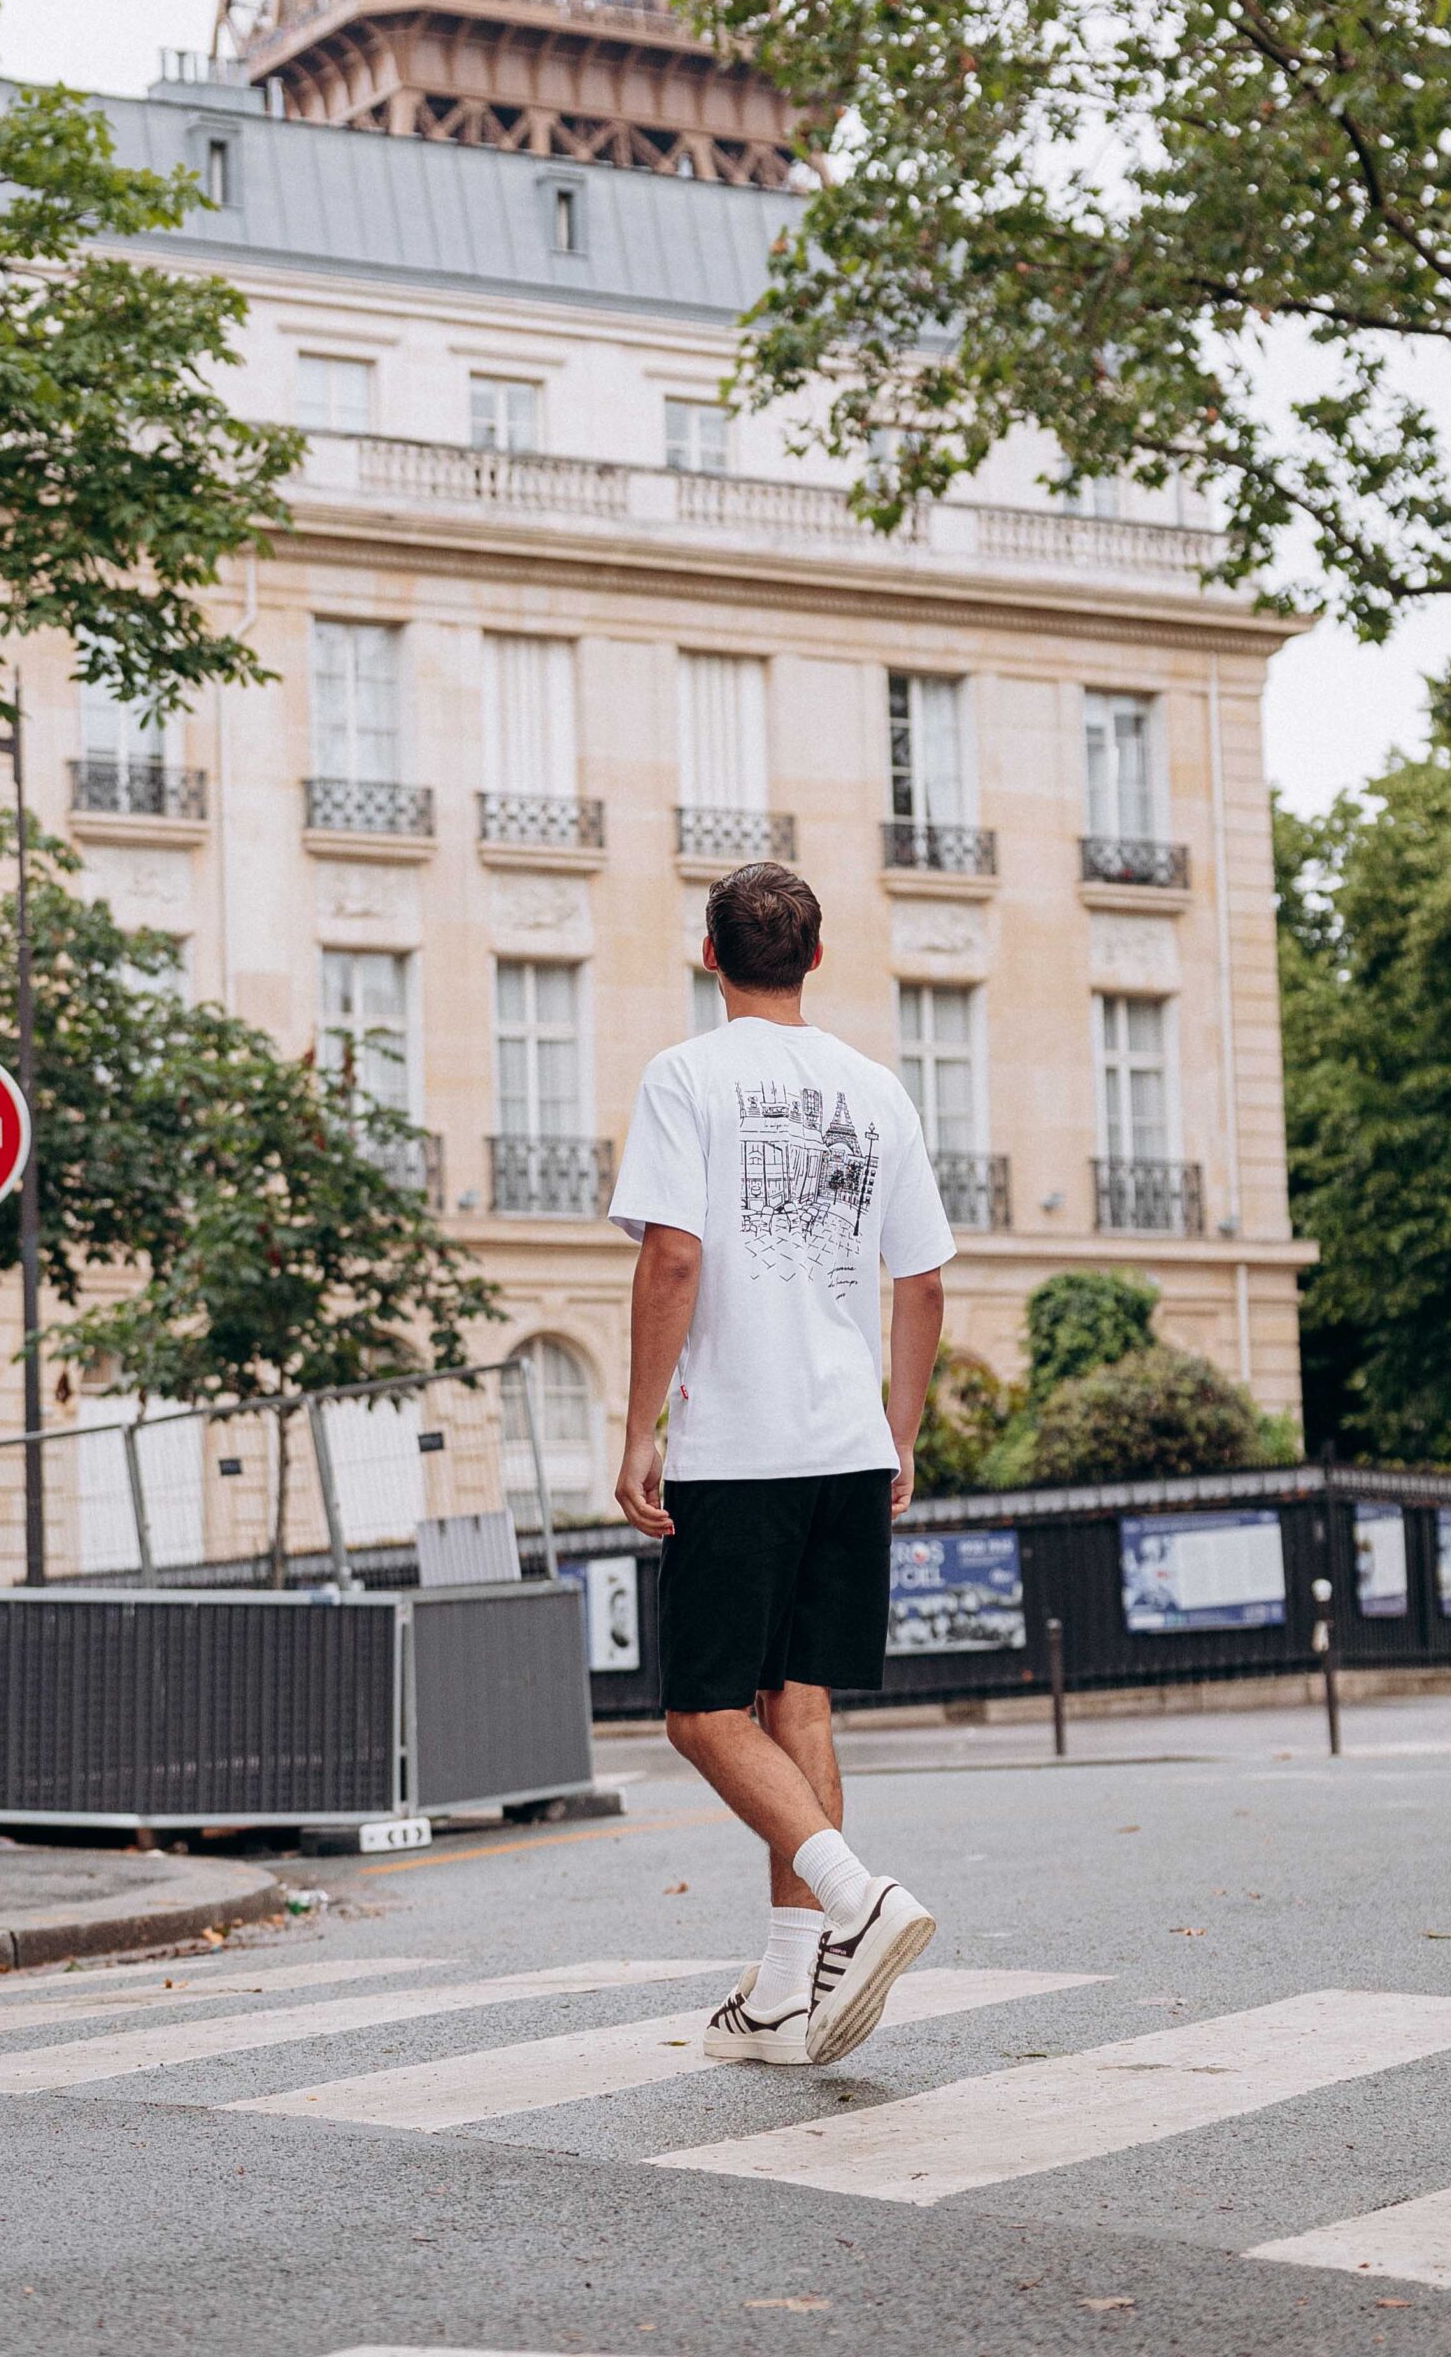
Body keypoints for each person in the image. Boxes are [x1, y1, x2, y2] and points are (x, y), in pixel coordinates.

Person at [609, 860, 954, 2068]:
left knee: (704, 1715)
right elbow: (923, 1286)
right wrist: (898, 1433)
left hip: (740, 1444)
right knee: (795, 1702)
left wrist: (640, 1426)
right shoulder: (878, 1090)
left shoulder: (686, 1077)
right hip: (846, 1445)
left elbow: (670, 1260)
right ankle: (782, 1996)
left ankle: (858, 1903)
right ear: (815, 958)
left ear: (711, 954)